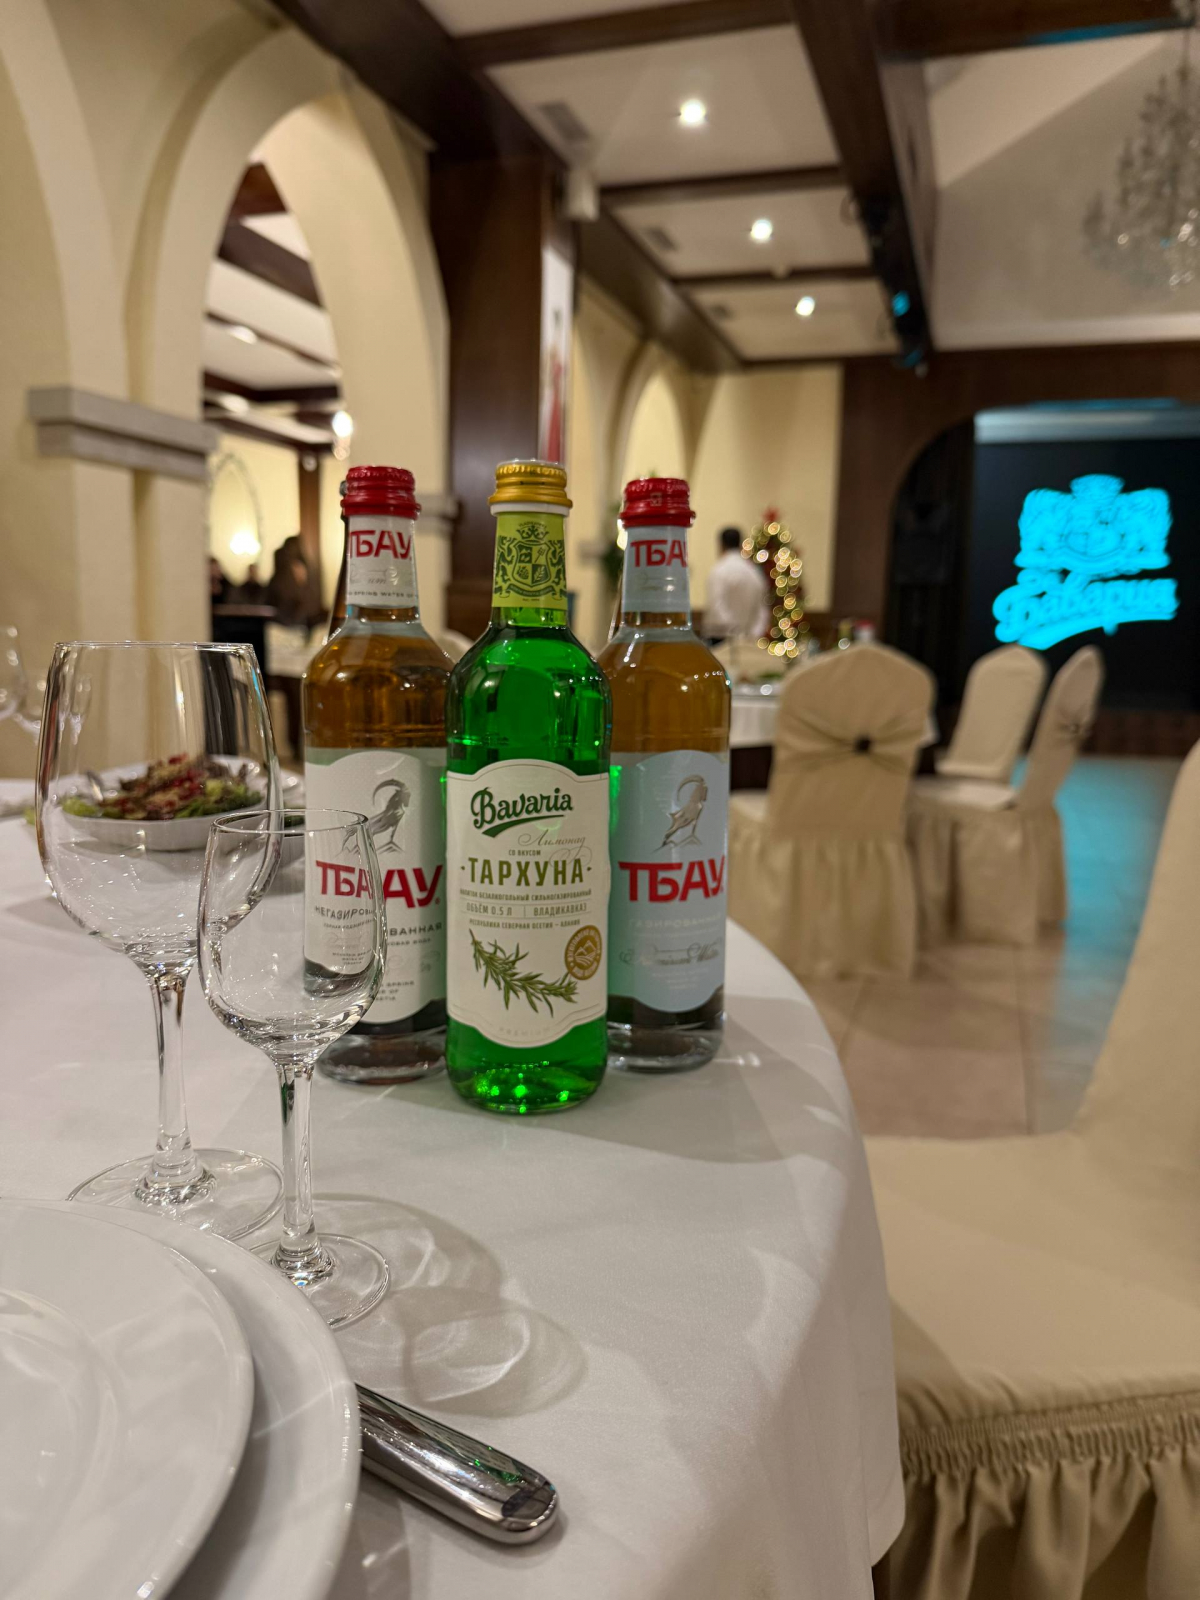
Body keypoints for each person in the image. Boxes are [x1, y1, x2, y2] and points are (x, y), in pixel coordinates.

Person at [704, 527, 769, 645]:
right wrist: (752, 634)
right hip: (748, 638)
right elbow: (761, 608)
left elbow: (716, 605)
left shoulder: (719, 570)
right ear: (740, 544)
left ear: (721, 545)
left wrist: (733, 632)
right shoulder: (753, 572)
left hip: (721, 639)